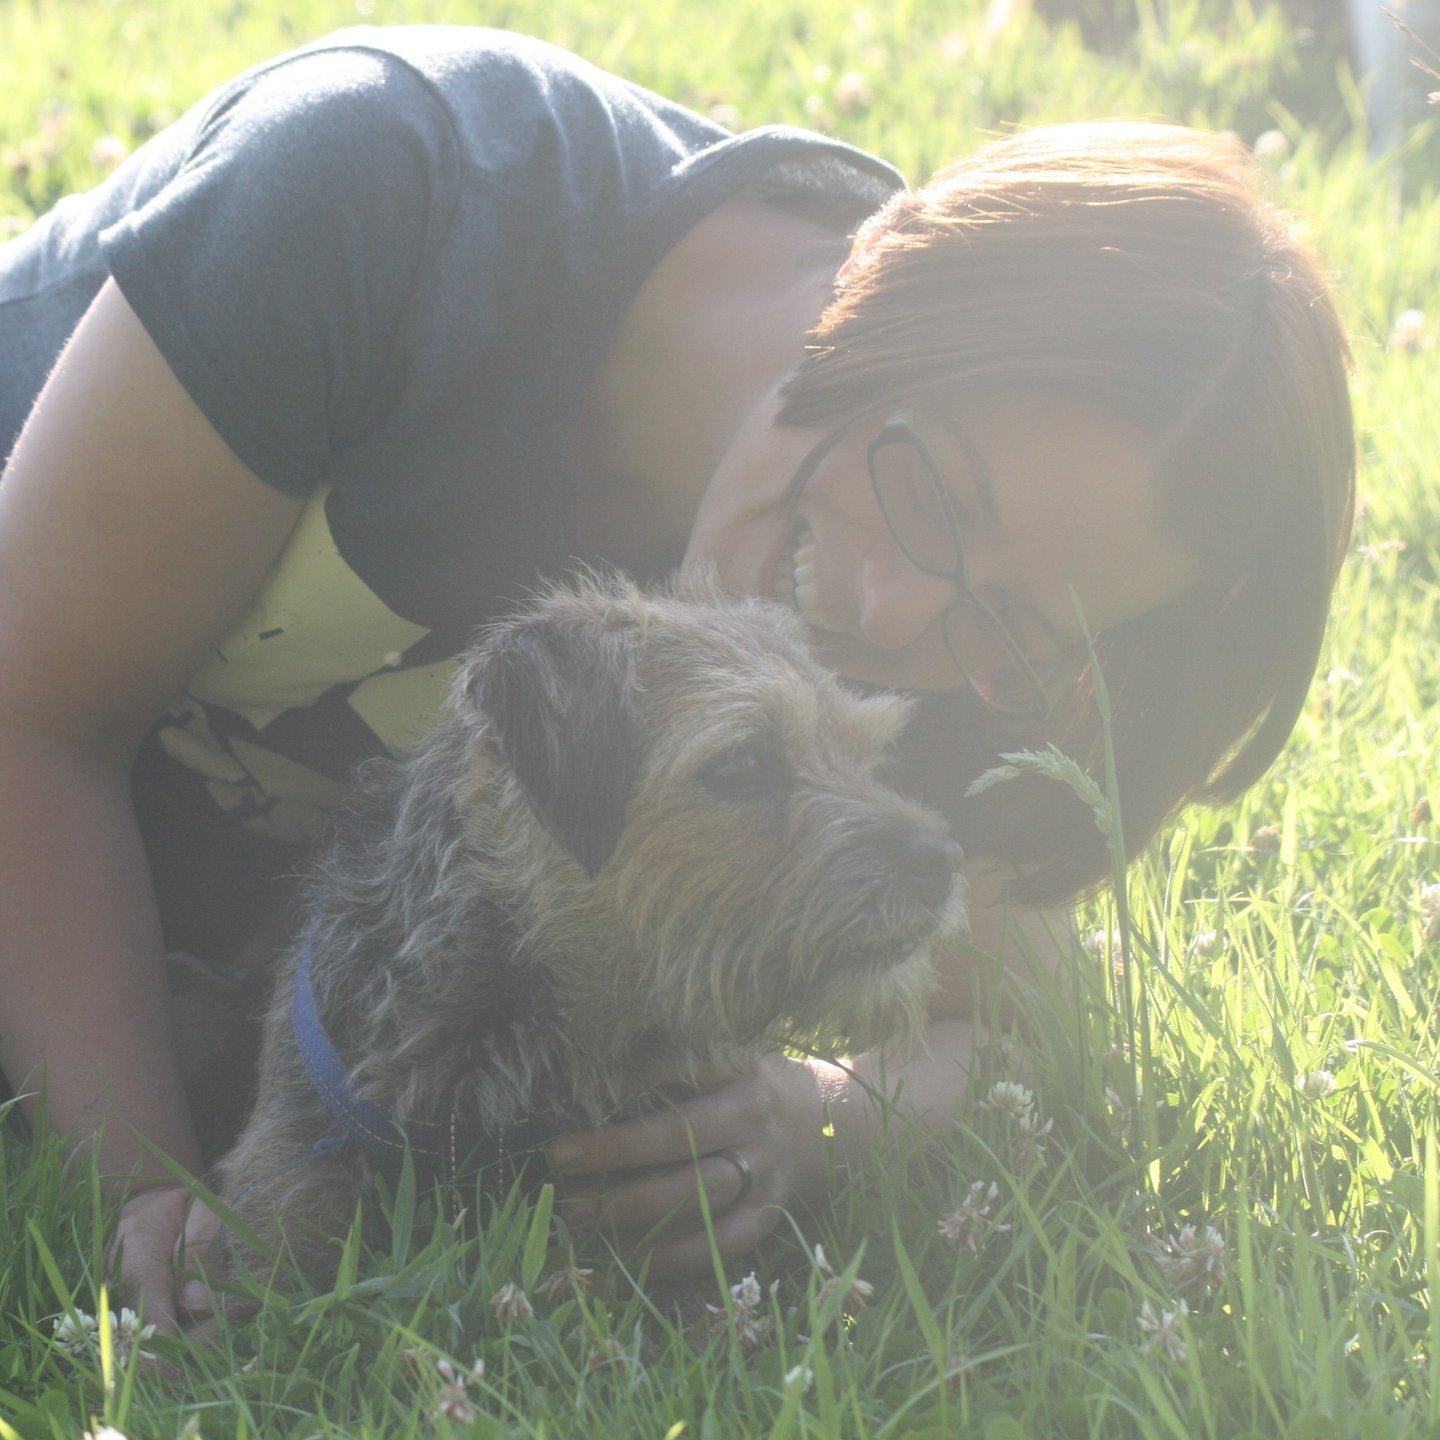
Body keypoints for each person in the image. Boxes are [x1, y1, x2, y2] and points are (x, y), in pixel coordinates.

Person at [0, 25, 1355, 1332]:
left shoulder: (934, 661)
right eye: (936, 489)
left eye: (1013, 623)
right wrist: (153, 1190)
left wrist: (818, 1112)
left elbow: (1012, 1020)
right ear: (885, 275)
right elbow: (33, 720)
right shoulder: (394, 194)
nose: (887, 613)